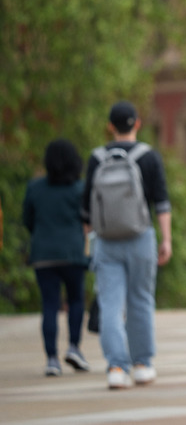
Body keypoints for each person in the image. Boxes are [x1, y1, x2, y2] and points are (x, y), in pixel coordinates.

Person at [81, 101, 172, 389]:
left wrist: (90, 240)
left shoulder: (96, 158)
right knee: (141, 301)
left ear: (110, 126)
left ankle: (116, 368)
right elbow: (162, 203)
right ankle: (143, 364)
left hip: (106, 241)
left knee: (110, 304)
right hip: (140, 237)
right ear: (137, 124)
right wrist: (166, 239)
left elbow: (86, 210)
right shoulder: (149, 157)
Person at [23, 139, 91, 377]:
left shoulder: (35, 188)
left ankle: (51, 358)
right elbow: (88, 219)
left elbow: (27, 219)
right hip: (73, 253)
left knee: (49, 305)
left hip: (43, 254)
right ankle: (74, 347)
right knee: (75, 301)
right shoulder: (80, 189)